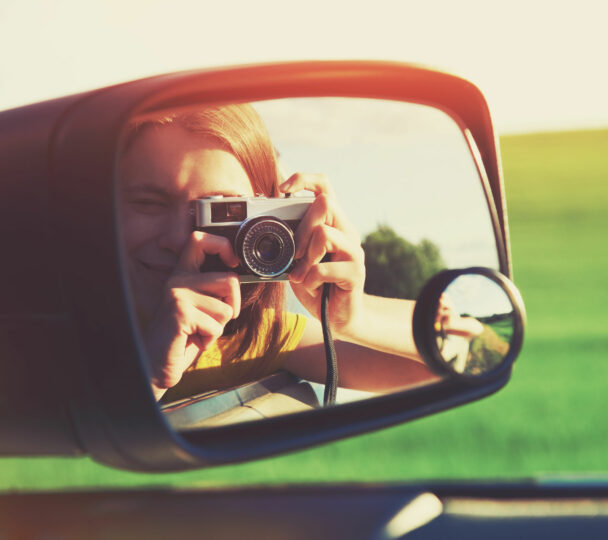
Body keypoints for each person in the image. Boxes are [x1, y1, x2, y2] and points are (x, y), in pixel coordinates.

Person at [118, 104, 436, 402]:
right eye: (149, 203)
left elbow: (444, 367)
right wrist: (148, 377)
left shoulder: (252, 341)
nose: (177, 238)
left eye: (217, 211)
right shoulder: (70, 332)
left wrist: (348, 319)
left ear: (270, 218)